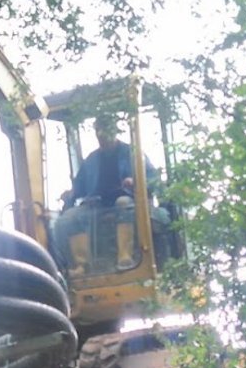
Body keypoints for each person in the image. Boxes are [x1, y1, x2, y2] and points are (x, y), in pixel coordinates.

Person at [52, 116, 166, 270]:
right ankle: (82, 265)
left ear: (114, 131)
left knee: (123, 203)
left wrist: (136, 182)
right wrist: (70, 194)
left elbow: (153, 180)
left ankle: (125, 258)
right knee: (68, 219)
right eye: (97, 130)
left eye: (105, 129)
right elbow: (80, 187)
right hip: (98, 206)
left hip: (130, 201)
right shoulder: (92, 160)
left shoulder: (132, 154)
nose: (101, 134)